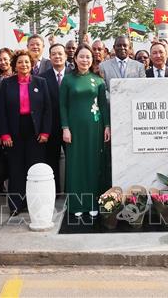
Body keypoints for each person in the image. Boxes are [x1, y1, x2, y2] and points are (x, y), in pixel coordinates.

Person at [0, 50, 52, 215]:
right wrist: (4, 134)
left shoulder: (41, 82)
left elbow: (47, 110)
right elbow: (1, 111)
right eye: (20, 62)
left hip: (35, 130)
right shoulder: (6, 84)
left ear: (32, 64)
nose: (24, 65)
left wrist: (45, 132)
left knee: (34, 168)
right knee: (16, 168)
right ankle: (16, 205)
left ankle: (33, 204)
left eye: (27, 62)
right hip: (14, 130)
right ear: (15, 65)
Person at [60, 44, 111, 217]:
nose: (85, 60)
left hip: (95, 128)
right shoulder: (68, 80)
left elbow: (103, 106)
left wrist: (107, 126)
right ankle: (77, 204)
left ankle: (92, 203)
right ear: (75, 59)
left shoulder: (98, 80)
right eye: (81, 56)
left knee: (93, 163)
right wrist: (65, 128)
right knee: (76, 165)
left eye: (88, 57)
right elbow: (62, 106)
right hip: (74, 129)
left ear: (92, 59)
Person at [40, 43, 70, 193]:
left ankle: (71, 190)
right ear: (49, 57)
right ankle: (54, 191)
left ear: (66, 56)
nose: (57, 56)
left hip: (70, 126)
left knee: (72, 160)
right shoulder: (42, 78)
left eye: (60, 53)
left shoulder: (74, 74)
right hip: (50, 127)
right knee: (51, 160)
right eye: (54, 54)